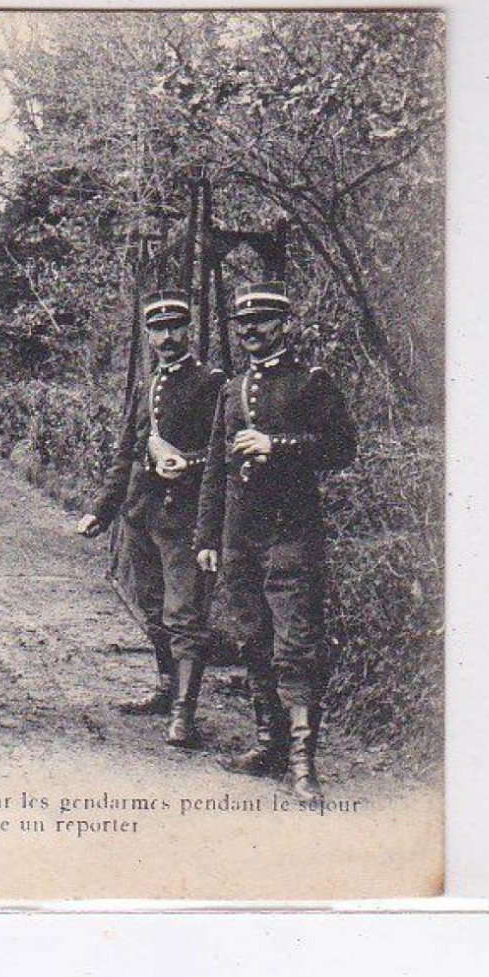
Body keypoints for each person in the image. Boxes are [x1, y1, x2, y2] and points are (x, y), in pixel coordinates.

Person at [195, 280, 358, 800]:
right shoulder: (231, 389)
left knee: (297, 643)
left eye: (261, 321)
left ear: (283, 324)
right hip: (241, 536)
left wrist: (278, 445)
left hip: (292, 533)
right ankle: (268, 744)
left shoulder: (311, 382)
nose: (251, 331)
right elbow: (217, 469)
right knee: (252, 638)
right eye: (243, 323)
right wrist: (208, 536)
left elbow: (341, 448)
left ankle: (303, 763)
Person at [78, 290, 224, 747]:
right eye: (157, 329)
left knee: (185, 615)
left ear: (188, 329)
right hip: (142, 514)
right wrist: (102, 509)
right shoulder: (147, 386)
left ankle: (185, 713)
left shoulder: (212, 384)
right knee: (151, 608)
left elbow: (222, 455)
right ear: (148, 335)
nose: (166, 337)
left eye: (174, 327)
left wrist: (189, 464)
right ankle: (165, 688)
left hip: (185, 520)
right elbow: (128, 450)